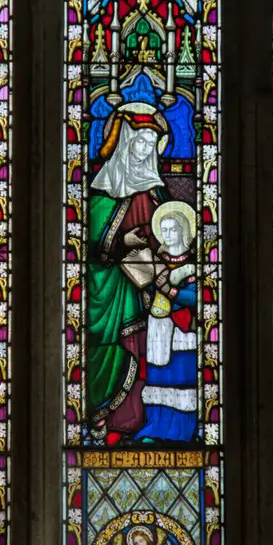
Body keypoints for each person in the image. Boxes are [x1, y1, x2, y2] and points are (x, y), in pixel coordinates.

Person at [86, 101, 169, 437]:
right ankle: (104, 418)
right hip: (110, 288)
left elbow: (166, 230)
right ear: (125, 143)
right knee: (111, 350)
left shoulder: (153, 191)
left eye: (151, 145)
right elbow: (91, 244)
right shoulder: (102, 191)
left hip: (144, 287)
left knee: (140, 347)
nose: (145, 150)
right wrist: (122, 243)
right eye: (139, 142)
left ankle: (131, 420)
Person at [135, 201, 199, 444]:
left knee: (182, 379)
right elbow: (146, 293)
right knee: (158, 379)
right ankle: (156, 428)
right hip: (158, 329)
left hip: (183, 331)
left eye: (174, 229)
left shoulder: (194, 261)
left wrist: (171, 292)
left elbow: (197, 297)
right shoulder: (154, 260)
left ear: (184, 230)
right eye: (165, 230)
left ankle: (182, 431)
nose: (169, 235)